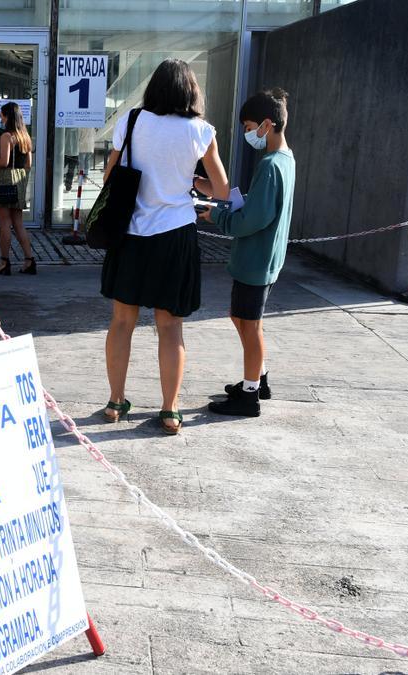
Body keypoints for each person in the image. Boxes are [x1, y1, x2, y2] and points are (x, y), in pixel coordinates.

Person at [99, 58, 230, 434]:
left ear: (154, 87)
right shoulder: (200, 131)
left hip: (131, 233)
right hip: (175, 234)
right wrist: (189, 179)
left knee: (122, 321)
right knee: (170, 326)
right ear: (190, 91)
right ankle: (170, 410)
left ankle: (114, 402)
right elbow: (221, 191)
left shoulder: (132, 121)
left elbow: (110, 176)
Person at [200, 88, 295, 418]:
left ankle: (250, 394)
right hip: (263, 259)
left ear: (267, 124)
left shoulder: (270, 164)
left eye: (248, 126)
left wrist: (218, 216)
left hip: (256, 260)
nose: (246, 133)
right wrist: (212, 191)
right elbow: (258, 206)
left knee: (250, 324)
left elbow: (254, 218)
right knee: (241, 317)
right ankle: (259, 379)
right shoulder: (284, 160)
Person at [0, 102, 36, 276]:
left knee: (5, 225)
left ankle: (4, 262)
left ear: (7, 116)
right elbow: (29, 164)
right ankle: (29, 260)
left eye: (2, 115)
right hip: (20, 182)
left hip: (5, 181)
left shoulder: (6, 136)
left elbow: (4, 162)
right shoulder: (25, 136)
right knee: (19, 223)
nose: (0, 118)